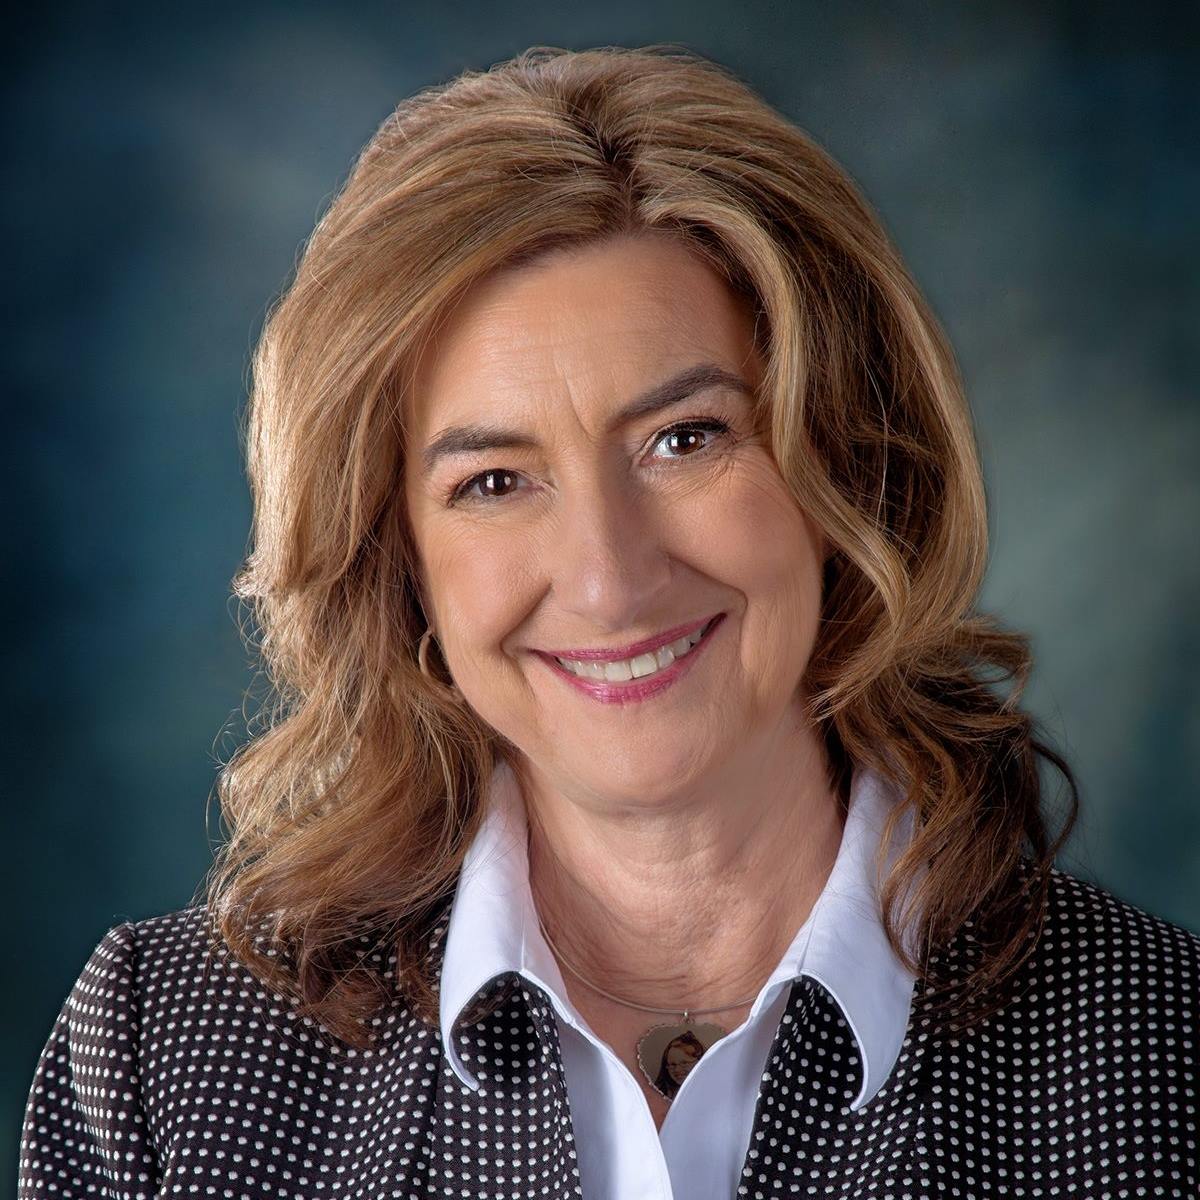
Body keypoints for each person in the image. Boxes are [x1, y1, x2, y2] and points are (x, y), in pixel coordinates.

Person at [18, 43, 1199, 1200]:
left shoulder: (1163, 1059)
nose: (607, 579)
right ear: (397, 563)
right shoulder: (167, 1065)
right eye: (492, 482)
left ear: (850, 465)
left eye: (684, 439)